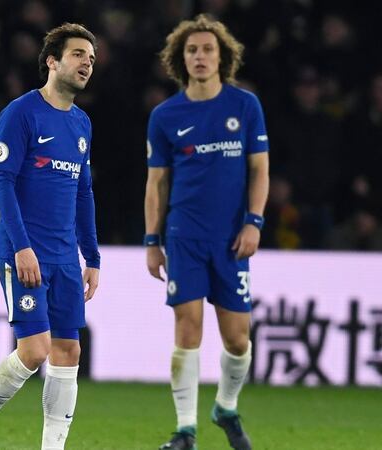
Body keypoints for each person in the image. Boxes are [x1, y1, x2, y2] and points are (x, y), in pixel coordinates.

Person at [0, 23, 100, 450]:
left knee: (68, 353)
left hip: (63, 256)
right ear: (52, 61)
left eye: (91, 59)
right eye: (78, 55)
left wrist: (91, 257)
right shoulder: (20, 113)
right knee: (36, 350)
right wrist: (22, 247)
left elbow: (83, 190)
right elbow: (1, 181)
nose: (86, 64)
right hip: (22, 249)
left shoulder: (81, 123)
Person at [144, 14, 269, 450]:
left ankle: (226, 407)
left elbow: (260, 170)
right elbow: (156, 182)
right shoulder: (165, 115)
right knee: (188, 326)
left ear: (223, 56)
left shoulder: (245, 106)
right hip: (184, 236)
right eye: (192, 50)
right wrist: (152, 241)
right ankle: (185, 430)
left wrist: (254, 222)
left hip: (232, 238)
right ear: (181, 59)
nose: (200, 56)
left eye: (207, 49)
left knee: (238, 339)